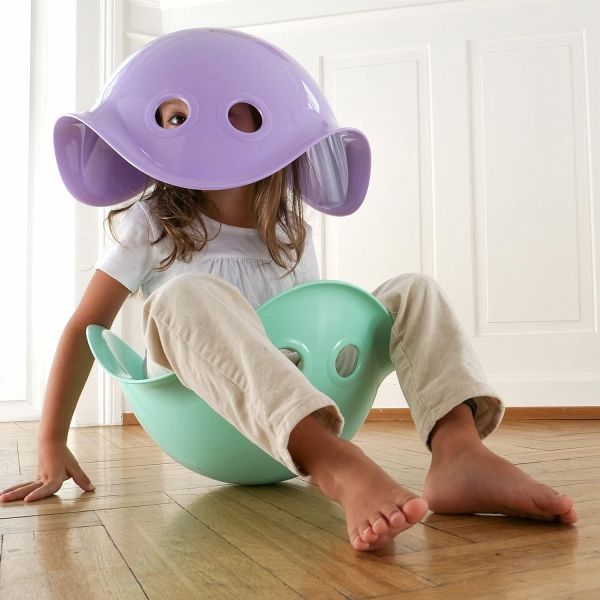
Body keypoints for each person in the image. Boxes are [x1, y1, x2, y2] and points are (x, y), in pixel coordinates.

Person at [0, 30, 577, 552]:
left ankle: (458, 451)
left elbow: (309, 327)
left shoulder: (287, 227)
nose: (204, 131)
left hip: (304, 401)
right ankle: (336, 466)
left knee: (413, 291)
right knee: (183, 295)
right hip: (208, 414)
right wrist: (51, 440)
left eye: (238, 114)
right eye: (175, 117)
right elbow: (86, 327)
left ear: (272, 125)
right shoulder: (151, 222)